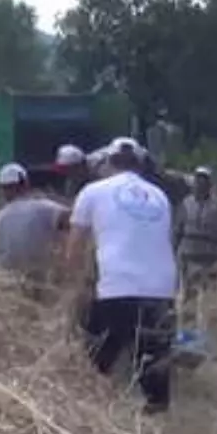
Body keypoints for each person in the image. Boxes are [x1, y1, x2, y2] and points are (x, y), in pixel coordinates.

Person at [65, 136, 178, 414]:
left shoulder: (93, 191)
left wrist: (75, 291)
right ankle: (157, 429)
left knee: (95, 365)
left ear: (107, 163)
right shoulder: (159, 196)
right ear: (139, 165)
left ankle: (95, 421)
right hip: (162, 290)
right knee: (153, 368)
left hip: (117, 286)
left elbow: (74, 250)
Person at [0, 162, 70, 297]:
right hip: (39, 283)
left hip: (5, 286)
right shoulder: (44, 208)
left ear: (2, 189)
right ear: (26, 184)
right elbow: (72, 221)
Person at [174, 166, 217, 297]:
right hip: (187, 256)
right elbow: (178, 229)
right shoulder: (186, 203)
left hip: (209, 257)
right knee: (185, 294)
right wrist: (174, 252)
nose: (200, 183)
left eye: (204, 180)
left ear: (209, 184)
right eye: (198, 179)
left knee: (208, 295)